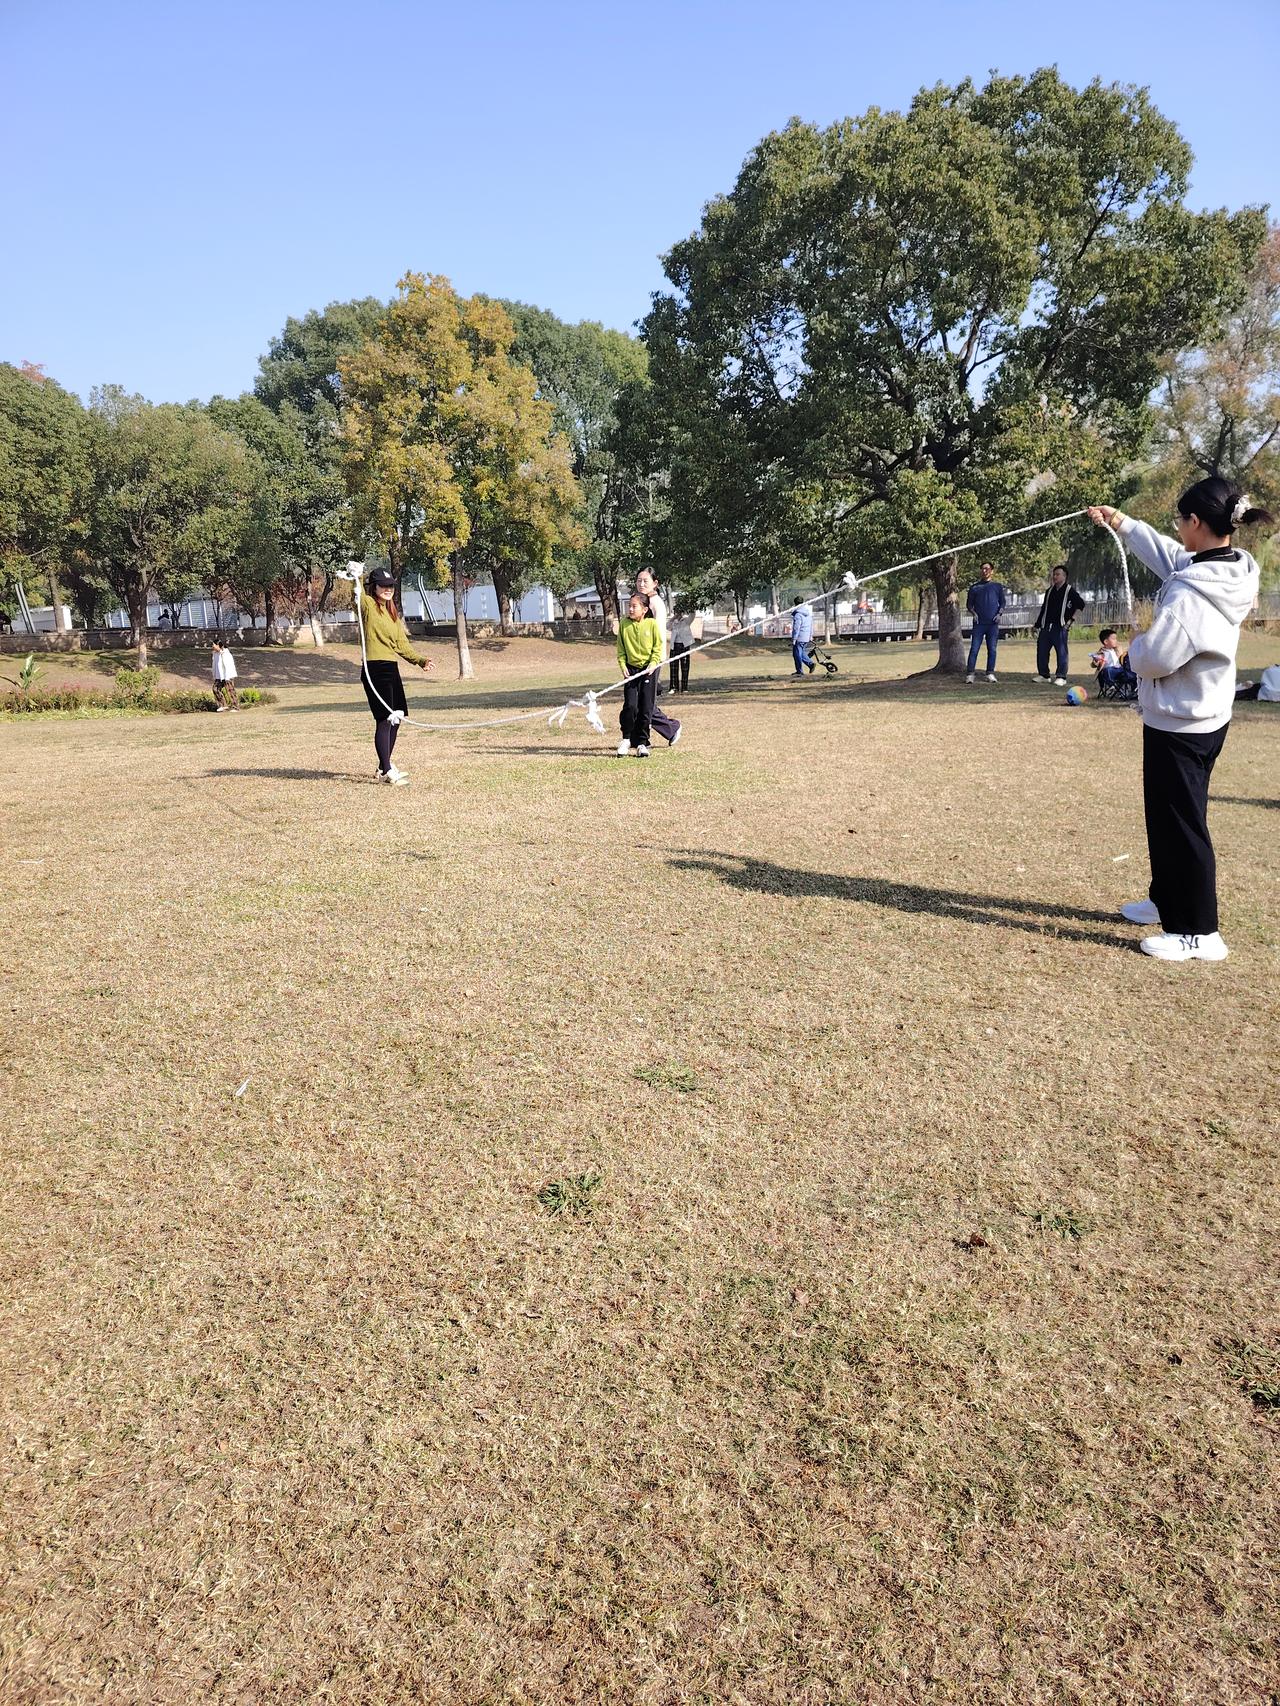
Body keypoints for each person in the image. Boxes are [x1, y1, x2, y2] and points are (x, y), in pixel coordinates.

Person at [1088, 479, 1273, 962]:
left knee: (1182, 824)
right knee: (1168, 816)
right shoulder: (1224, 567)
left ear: (1196, 522)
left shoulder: (1194, 596)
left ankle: (1198, 931)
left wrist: (1134, 650)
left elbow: (1157, 658)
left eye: (1180, 520)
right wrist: (1122, 523)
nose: (1177, 529)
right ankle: (1167, 899)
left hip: (1182, 724)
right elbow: (1170, 556)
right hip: (1200, 715)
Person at [350, 567, 434, 785]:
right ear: (374, 587)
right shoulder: (368, 605)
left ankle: (382, 766)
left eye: (391, 586)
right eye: (383, 586)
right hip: (374, 668)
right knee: (385, 719)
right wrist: (356, 576)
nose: (388, 589)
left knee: (397, 717)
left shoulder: (392, 614)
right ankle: (387, 770)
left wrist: (420, 660)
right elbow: (357, 595)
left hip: (390, 668)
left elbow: (401, 644)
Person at [634, 570, 682, 746]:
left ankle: (670, 728)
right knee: (639, 700)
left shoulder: (656, 604)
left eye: (645, 581)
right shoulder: (640, 601)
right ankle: (640, 738)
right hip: (638, 658)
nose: (641, 584)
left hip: (651, 660)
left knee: (644, 702)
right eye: (639, 580)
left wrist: (654, 661)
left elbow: (659, 635)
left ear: (655, 583)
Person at [615, 592, 663, 757]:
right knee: (631, 706)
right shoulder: (624, 624)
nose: (630, 609)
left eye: (634, 606)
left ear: (644, 609)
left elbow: (657, 647)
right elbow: (621, 649)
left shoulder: (652, 624)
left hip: (648, 670)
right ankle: (626, 739)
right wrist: (623, 665)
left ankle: (642, 743)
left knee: (646, 707)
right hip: (631, 670)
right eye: (629, 606)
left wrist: (653, 663)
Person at [1032, 565, 1085, 684]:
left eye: (1058, 574)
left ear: (1064, 576)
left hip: (1060, 627)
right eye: (1054, 574)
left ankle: (1061, 676)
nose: (1055, 577)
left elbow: (1081, 605)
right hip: (1046, 626)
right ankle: (1044, 675)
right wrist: (1038, 624)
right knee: (1042, 650)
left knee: (1061, 652)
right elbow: (1044, 608)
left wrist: (1070, 621)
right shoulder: (1049, 591)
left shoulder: (1069, 590)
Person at [964, 561, 1006, 683]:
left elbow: (1002, 603)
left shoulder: (997, 586)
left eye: (987, 569)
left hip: (993, 624)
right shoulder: (974, 587)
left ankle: (990, 673)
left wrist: (999, 614)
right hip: (979, 624)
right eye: (982, 568)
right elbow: (969, 605)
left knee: (992, 649)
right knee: (974, 649)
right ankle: (970, 674)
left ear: (992, 571)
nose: (984, 571)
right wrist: (974, 613)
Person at [1089, 628, 1138, 695]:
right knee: (1107, 670)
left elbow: (1123, 657)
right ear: (1106, 642)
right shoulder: (1102, 652)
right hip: (1111, 672)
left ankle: (1134, 690)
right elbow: (1093, 664)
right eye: (1114, 639)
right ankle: (1112, 686)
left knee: (1133, 670)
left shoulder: (1116, 650)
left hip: (1120, 670)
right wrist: (1096, 662)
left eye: (1116, 639)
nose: (1116, 641)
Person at [669, 609, 694, 693]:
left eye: (679, 612)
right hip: (674, 646)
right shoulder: (674, 621)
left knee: (685, 667)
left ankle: (684, 687)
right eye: (676, 612)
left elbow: (692, 615)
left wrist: (691, 606)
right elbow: (667, 626)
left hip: (684, 645)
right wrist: (674, 617)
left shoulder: (686, 620)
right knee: (673, 667)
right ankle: (673, 687)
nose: (678, 614)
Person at [211, 640, 239, 711]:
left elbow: (229, 665)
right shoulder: (215, 654)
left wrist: (228, 677)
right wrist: (215, 675)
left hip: (227, 675)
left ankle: (235, 707)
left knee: (230, 691)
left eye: (213, 645)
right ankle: (223, 705)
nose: (212, 647)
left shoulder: (226, 653)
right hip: (219, 676)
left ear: (218, 645)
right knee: (215, 689)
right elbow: (215, 665)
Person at [790, 597, 814, 677]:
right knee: (801, 653)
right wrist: (810, 636)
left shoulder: (798, 614)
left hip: (799, 637)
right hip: (806, 637)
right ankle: (810, 664)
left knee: (796, 654)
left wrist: (794, 639)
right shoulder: (808, 613)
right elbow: (811, 625)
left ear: (795, 604)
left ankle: (799, 671)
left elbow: (796, 628)